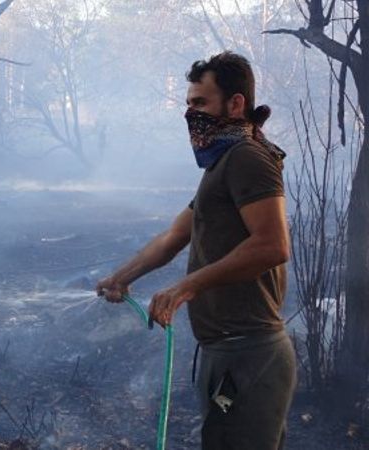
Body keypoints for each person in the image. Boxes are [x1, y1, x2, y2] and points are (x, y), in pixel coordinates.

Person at [96, 51, 296, 449]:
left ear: (236, 103)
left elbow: (273, 245)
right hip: (226, 352)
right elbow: (174, 237)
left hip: (248, 355)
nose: (191, 114)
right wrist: (121, 278)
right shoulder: (222, 163)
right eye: (188, 104)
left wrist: (186, 287)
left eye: (200, 103)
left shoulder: (247, 157)